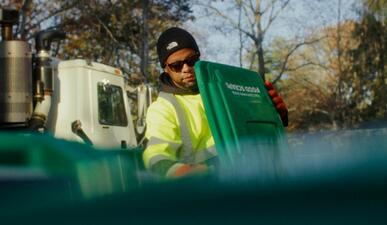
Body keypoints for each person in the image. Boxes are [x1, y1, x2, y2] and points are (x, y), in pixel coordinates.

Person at [143, 27, 288, 178]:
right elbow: (156, 156)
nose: (186, 69)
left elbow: (254, 133)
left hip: (253, 178)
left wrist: (275, 116)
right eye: (176, 66)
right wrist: (182, 172)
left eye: (191, 61)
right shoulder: (162, 108)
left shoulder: (224, 88)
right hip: (206, 192)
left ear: (199, 58)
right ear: (165, 68)